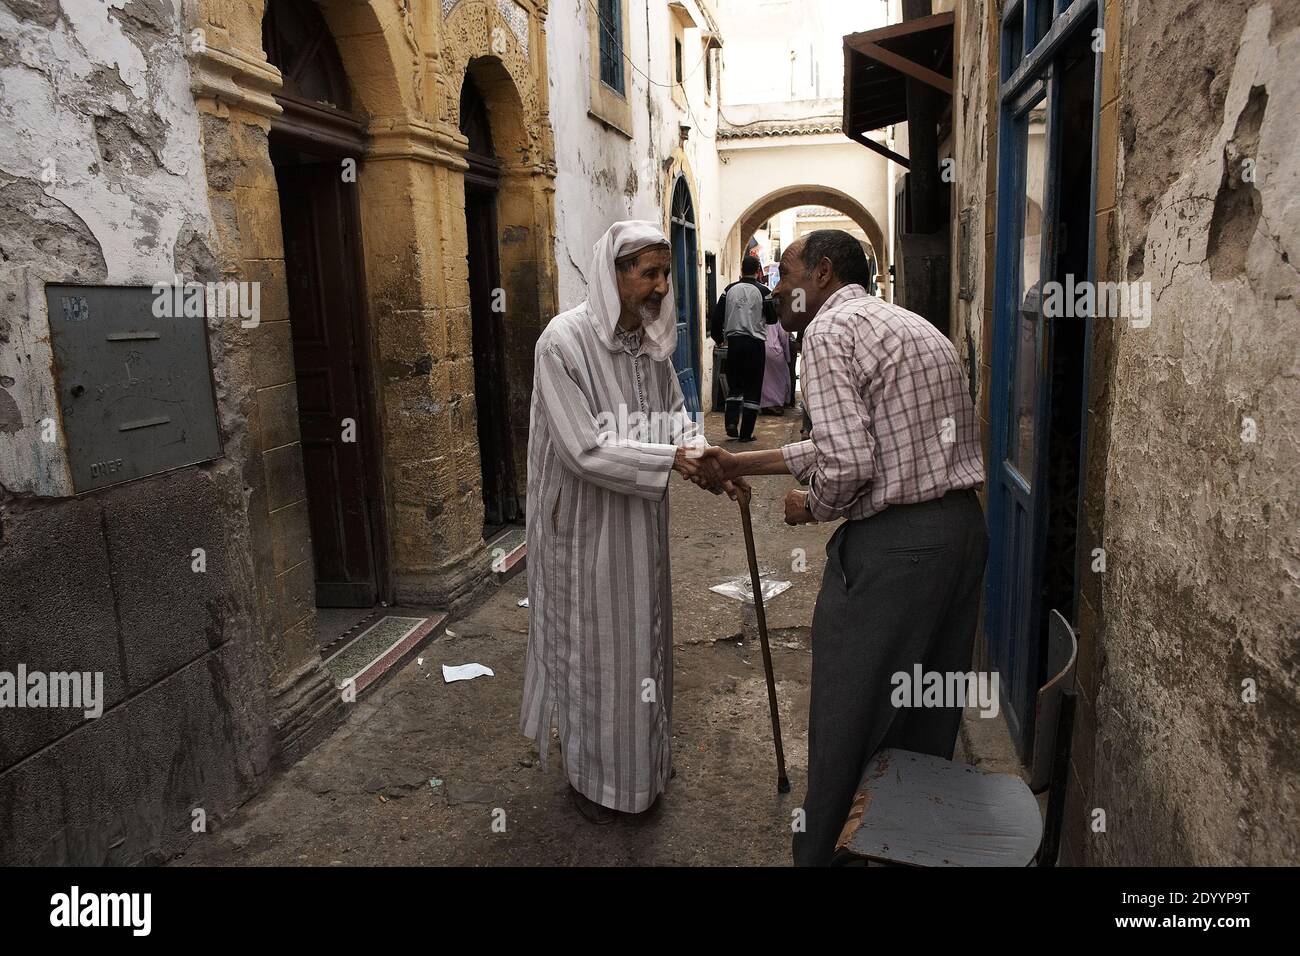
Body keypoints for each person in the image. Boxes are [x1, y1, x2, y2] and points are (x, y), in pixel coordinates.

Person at [693, 229, 987, 865]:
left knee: (848, 715)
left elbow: (849, 465)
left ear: (821, 274)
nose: (775, 287)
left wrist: (813, 505)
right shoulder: (912, 327)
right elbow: (865, 442)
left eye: (786, 272)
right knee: (923, 716)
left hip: (897, 549)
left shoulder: (827, 332)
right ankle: (899, 848)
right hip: (959, 534)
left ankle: (827, 852)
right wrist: (749, 460)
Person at [521, 220, 748, 825]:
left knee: (643, 648)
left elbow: (674, 416)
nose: (659, 286)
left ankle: (642, 772)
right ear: (614, 273)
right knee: (598, 652)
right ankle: (596, 783)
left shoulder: (648, 342)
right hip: (587, 530)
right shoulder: (562, 343)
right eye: (648, 273)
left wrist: (708, 460)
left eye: (665, 273)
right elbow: (583, 449)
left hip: (641, 524)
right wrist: (671, 457)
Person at [708, 255, 774, 442]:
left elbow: (716, 317)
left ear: (741, 269)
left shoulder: (729, 290)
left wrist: (719, 338)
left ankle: (730, 423)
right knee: (753, 388)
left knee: (735, 386)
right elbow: (772, 319)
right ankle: (746, 433)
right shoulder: (764, 291)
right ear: (757, 270)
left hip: (734, 344)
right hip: (755, 345)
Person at [760, 315, 791, 416]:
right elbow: (784, 338)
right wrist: (787, 357)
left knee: (765, 379)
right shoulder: (776, 319)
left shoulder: (758, 316)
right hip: (775, 350)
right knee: (780, 377)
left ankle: (765, 405)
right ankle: (777, 404)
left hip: (760, 349)